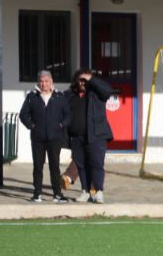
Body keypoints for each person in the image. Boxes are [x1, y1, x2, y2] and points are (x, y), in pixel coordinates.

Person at [19, 69, 71, 203]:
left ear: (51, 81)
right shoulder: (32, 97)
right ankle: (37, 194)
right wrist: (32, 126)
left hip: (55, 138)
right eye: (41, 81)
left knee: (55, 167)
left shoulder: (59, 96)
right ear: (38, 82)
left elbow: (68, 115)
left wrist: (61, 125)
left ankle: (57, 194)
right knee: (38, 166)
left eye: (46, 81)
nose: (44, 84)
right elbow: (23, 115)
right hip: (37, 139)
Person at [66, 69, 114, 203]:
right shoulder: (70, 95)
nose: (83, 83)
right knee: (81, 165)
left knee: (96, 164)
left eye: (85, 80)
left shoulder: (97, 93)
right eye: (80, 80)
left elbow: (108, 90)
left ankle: (98, 192)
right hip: (77, 137)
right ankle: (85, 191)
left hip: (96, 136)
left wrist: (91, 79)